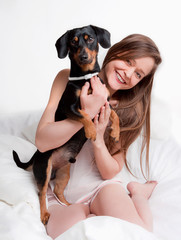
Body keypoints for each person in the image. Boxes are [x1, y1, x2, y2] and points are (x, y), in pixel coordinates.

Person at [35, 33, 162, 239]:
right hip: (58, 191)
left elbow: (110, 171)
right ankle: (89, 212)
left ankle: (138, 193)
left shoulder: (129, 111)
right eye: (128, 61)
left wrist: (99, 139)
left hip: (99, 187)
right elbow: (42, 141)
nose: (128, 73)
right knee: (70, 232)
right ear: (115, 51)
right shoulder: (67, 79)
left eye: (138, 74)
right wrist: (88, 113)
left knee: (139, 233)